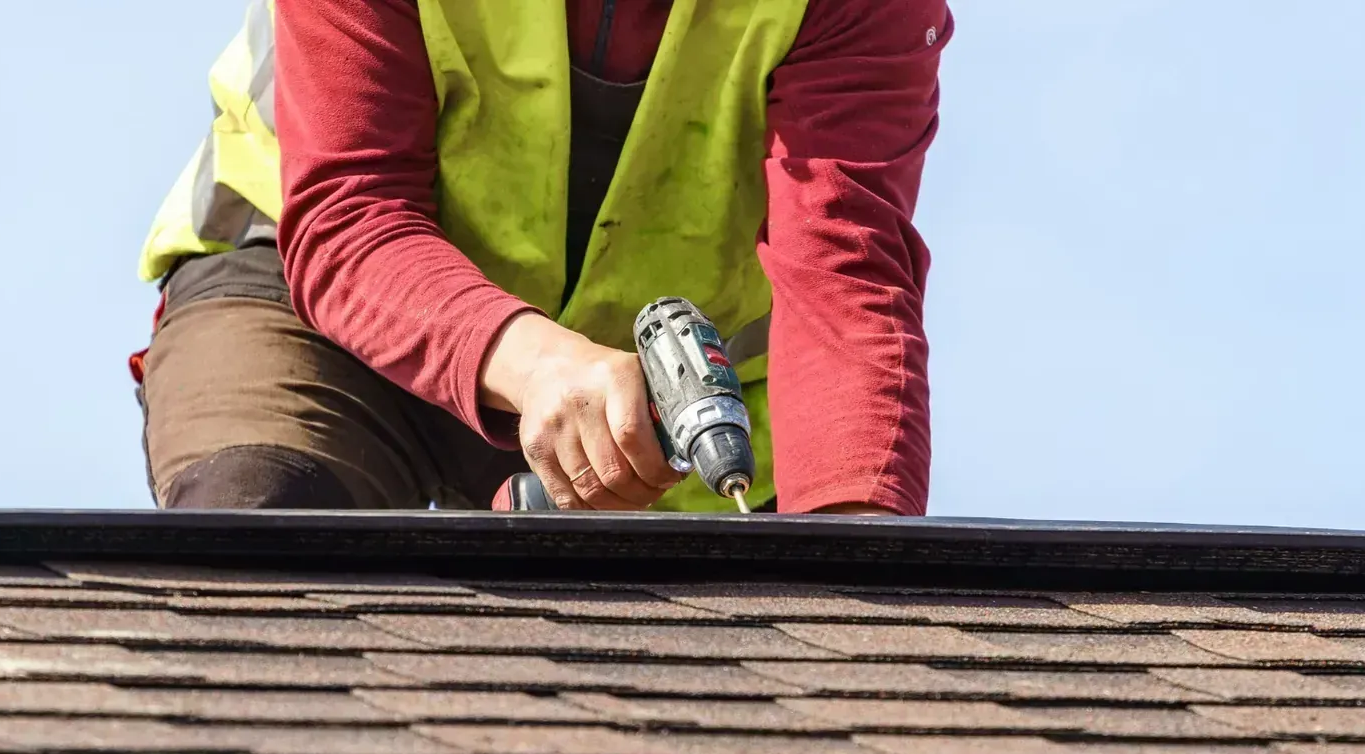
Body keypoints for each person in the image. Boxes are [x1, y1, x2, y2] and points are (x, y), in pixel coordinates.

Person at [134, 0, 946, 515]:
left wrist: (861, 565)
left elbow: (843, 277)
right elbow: (353, 210)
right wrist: (541, 366)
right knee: (251, 540)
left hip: (650, 403)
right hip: (313, 309)